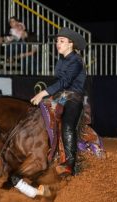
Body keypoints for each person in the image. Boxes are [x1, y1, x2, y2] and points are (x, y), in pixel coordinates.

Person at [30, 27, 87, 176]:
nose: (58, 43)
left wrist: (43, 92)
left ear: (71, 44)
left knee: (67, 126)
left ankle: (69, 164)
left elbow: (65, 82)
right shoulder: (62, 59)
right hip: (62, 96)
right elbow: (60, 83)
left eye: (62, 41)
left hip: (73, 97)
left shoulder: (76, 61)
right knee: (41, 113)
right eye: (57, 41)